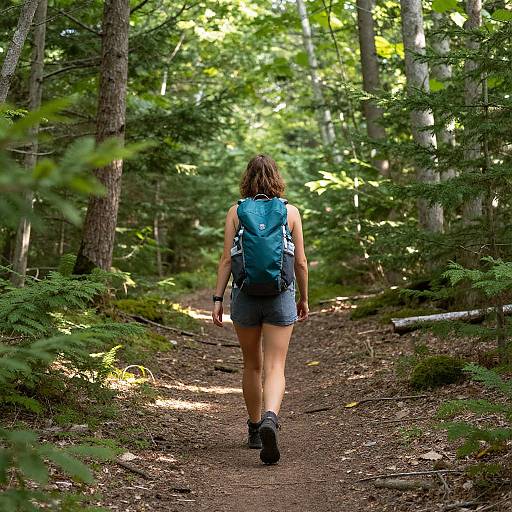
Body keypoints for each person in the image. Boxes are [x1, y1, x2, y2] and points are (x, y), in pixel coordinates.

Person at [211, 154, 309, 465]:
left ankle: (255, 429)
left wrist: (217, 299)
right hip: (281, 294)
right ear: (276, 178)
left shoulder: (236, 212)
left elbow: (227, 260)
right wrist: (303, 298)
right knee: (276, 366)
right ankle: (270, 418)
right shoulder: (290, 212)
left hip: (245, 295)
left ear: (247, 179)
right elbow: (301, 262)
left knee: (252, 364)